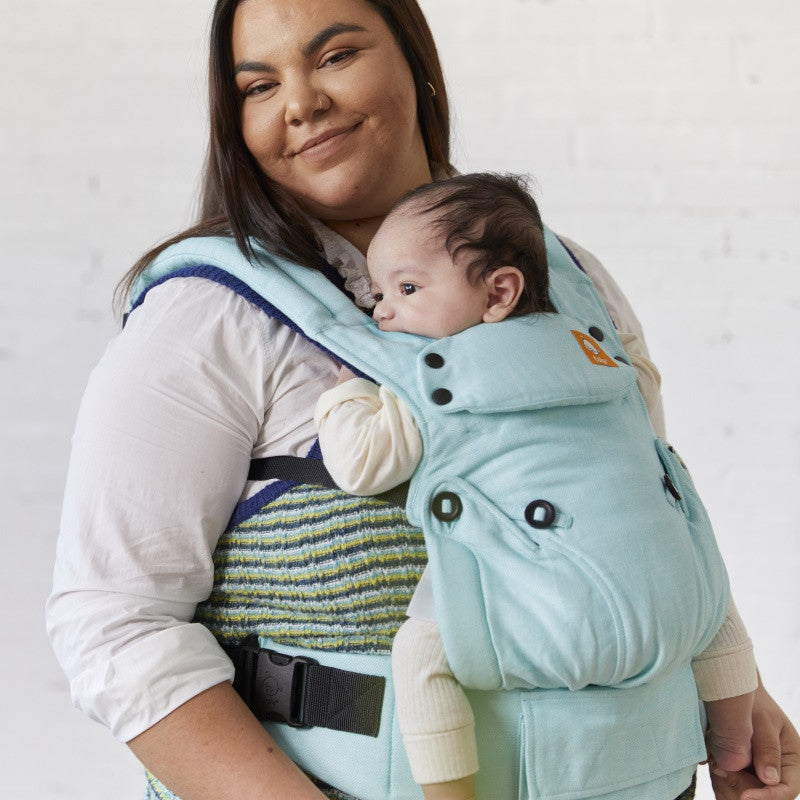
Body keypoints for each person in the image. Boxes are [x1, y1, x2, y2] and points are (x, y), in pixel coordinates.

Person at [44, 1, 800, 799]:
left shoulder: (564, 279)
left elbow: (635, 519)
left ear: (418, 63)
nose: (300, 103)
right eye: (259, 86)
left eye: (335, 56)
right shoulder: (205, 319)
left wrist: (737, 705)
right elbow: (114, 626)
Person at [313, 171, 757, 800]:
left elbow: (361, 464)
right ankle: (735, 742)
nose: (382, 310)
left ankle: (448, 794)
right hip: (658, 583)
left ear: (500, 292)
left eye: (406, 289)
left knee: (419, 654)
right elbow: (642, 391)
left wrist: (348, 391)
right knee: (704, 594)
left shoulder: (434, 379)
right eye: (379, 292)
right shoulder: (595, 344)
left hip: (542, 597)